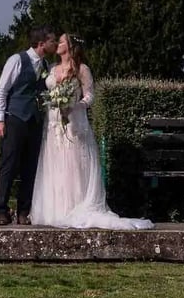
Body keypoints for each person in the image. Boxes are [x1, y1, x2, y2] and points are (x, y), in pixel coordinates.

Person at [29, 33, 154, 230]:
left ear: (70, 47)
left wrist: (74, 105)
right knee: (55, 163)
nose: (58, 44)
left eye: (61, 41)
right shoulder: (51, 69)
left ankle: (74, 206)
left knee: (74, 163)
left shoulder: (82, 69)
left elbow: (90, 96)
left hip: (74, 122)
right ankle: (56, 210)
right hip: (53, 123)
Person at [0, 26, 58, 225]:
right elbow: (2, 90)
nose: (54, 44)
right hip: (15, 118)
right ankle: (1, 210)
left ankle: (23, 211)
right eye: (52, 41)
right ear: (41, 43)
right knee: (9, 165)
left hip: (35, 120)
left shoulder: (46, 65)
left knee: (31, 167)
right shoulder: (17, 60)